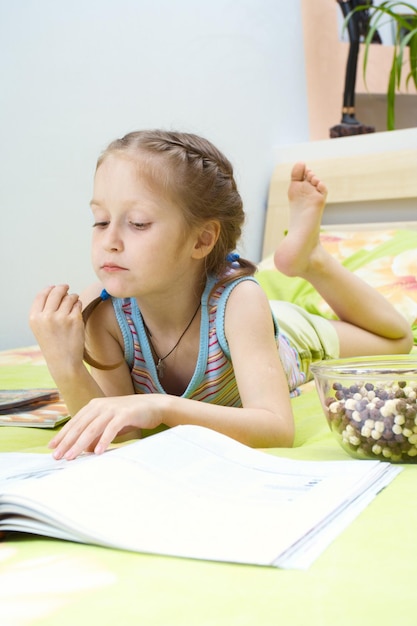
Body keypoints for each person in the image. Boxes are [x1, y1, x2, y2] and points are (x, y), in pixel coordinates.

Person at [29, 130, 413, 460]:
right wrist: (65, 364)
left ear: (202, 239)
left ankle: (310, 259)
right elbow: (121, 431)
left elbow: (277, 429)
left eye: (138, 223)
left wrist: (162, 406)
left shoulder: (241, 302)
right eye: (100, 221)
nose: (109, 241)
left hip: (285, 335)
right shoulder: (104, 311)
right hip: (244, 324)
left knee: (397, 340)